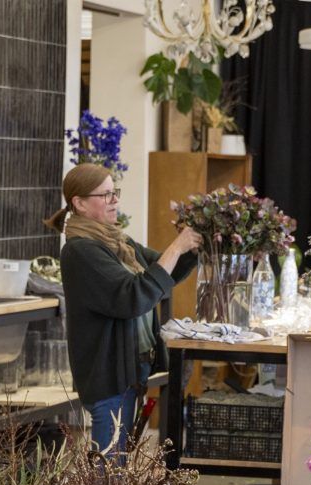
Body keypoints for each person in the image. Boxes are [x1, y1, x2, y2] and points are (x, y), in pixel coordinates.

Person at [44, 163, 202, 453]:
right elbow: (133, 296)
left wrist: (194, 247)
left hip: (132, 369)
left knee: (119, 464)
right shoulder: (80, 251)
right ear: (79, 203)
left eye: (114, 192)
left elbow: (162, 272)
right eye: (105, 195)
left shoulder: (118, 241)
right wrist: (176, 247)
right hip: (108, 375)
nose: (115, 199)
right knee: (110, 468)